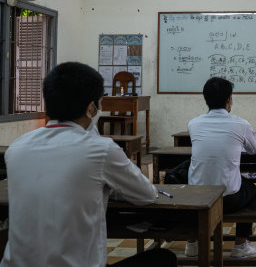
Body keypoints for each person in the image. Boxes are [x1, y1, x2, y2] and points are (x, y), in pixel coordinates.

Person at [1, 62, 176, 267]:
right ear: (91, 108)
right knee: (163, 259)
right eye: (100, 102)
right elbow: (146, 194)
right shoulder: (101, 149)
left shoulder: (17, 148)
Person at [186, 77, 256, 259]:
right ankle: (241, 245)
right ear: (229, 99)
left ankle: (192, 243)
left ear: (205, 99)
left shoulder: (193, 124)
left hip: (197, 197)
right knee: (251, 190)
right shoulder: (241, 124)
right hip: (227, 200)